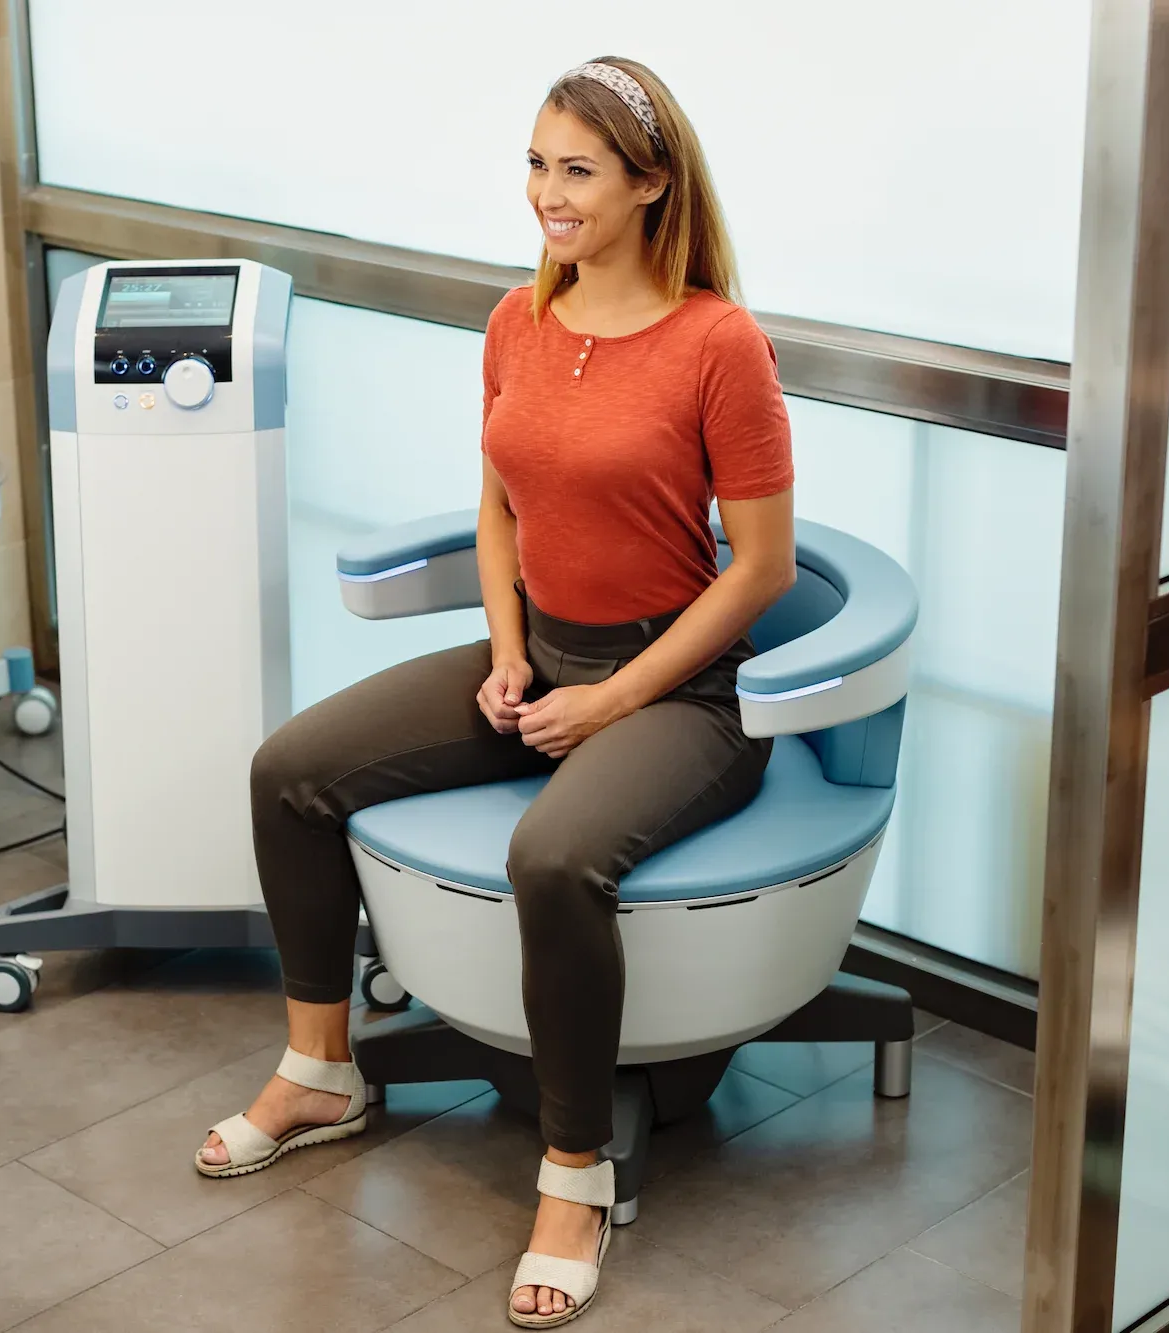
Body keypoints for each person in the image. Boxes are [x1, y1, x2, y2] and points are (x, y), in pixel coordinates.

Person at [195, 56, 796, 1328]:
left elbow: (757, 572)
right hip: (543, 658)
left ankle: (572, 1176)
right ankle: (319, 1072)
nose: (545, 194)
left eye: (575, 170)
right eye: (534, 163)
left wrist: (614, 697)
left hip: (682, 692)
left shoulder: (715, 343)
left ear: (648, 184)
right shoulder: (517, 319)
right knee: (288, 771)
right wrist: (510, 647)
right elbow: (496, 503)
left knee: (555, 854)